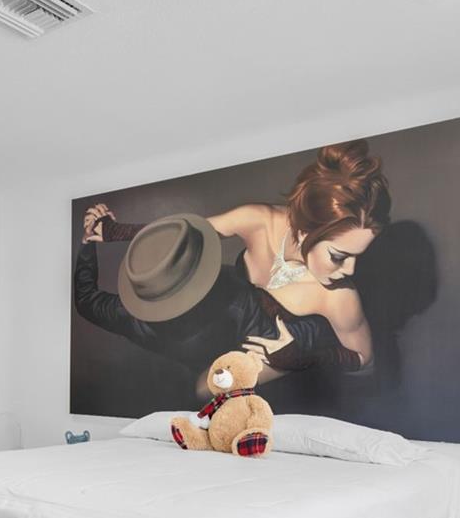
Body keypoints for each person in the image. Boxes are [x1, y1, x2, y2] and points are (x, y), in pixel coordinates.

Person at [78, 140, 389, 379]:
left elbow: (367, 361)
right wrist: (114, 231)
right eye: (339, 256)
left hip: (253, 372)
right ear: (306, 230)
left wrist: (305, 359)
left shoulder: (340, 297)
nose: (350, 269)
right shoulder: (259, 220)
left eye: (358, 256)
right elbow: (185, 237)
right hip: (201, 333)